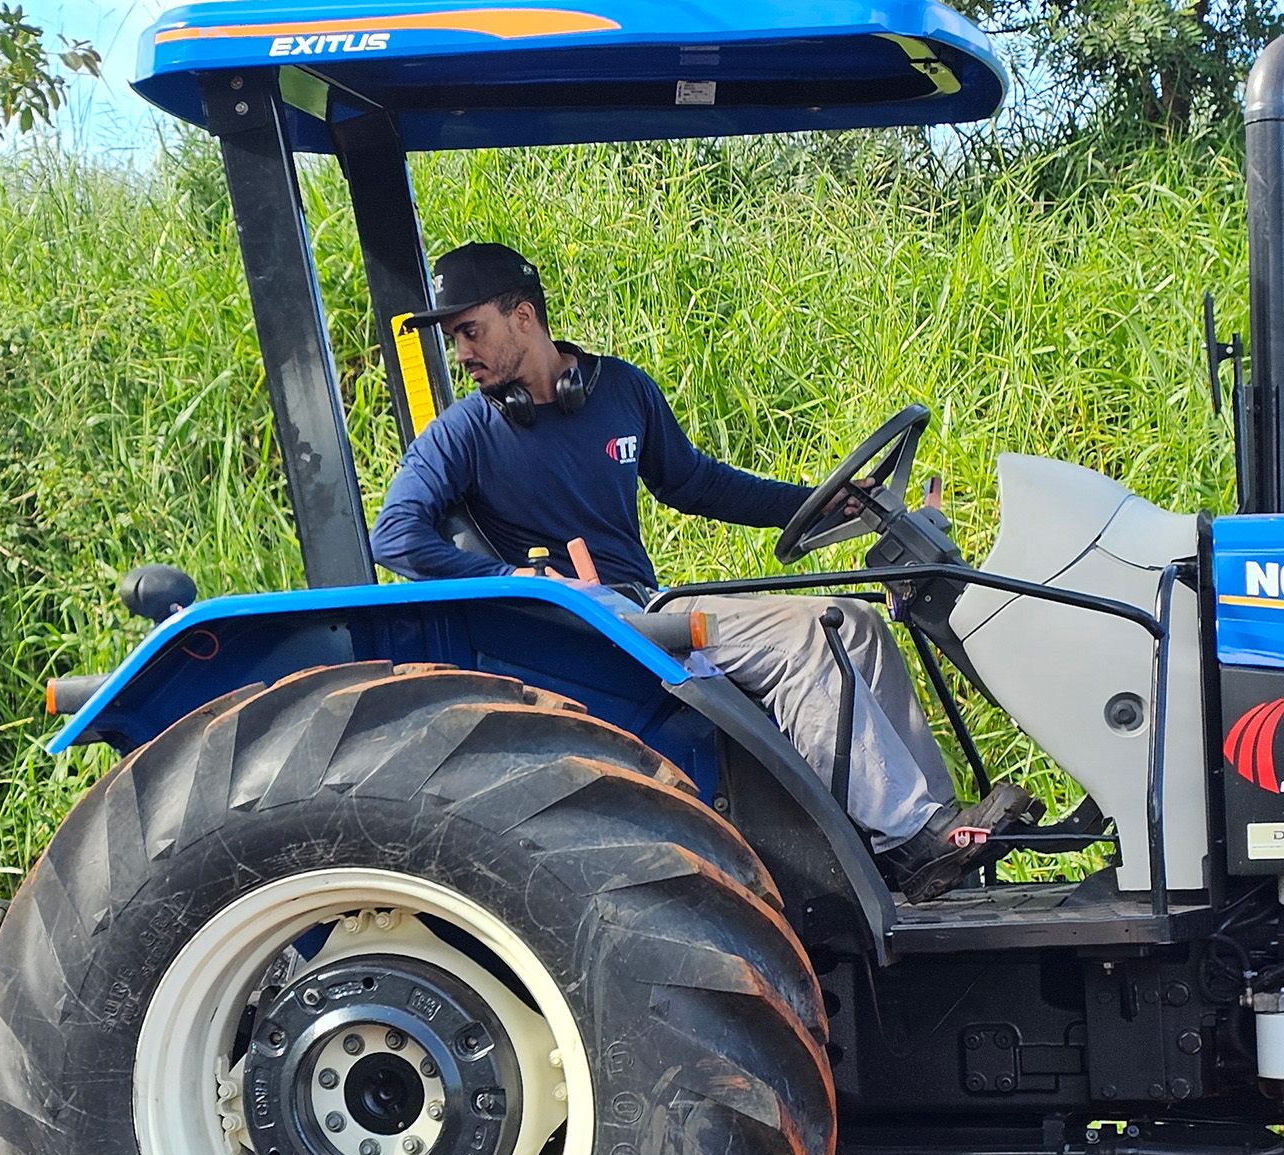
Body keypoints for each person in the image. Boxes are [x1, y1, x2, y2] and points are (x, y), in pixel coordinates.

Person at [368, 241, 1037, 901]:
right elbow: (393, 534)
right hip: (594, 626)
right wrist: (517, 580)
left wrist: (815, 501)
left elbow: (696, 483)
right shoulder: (463, 432)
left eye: (470, 331)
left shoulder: (621, 390)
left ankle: (931, 838)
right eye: (455, 338)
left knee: (855, 624)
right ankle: (907, 835)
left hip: (648, 603)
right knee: (806, 638)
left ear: (522, 317)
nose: (462, 354)